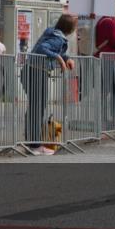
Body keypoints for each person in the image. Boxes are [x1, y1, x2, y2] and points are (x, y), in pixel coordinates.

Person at [22, 14, 78, 156]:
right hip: (36, 72)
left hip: (33, 71)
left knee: (36, 107)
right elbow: (43, 48)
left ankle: (32, 142)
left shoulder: (53, 32)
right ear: (70, 29)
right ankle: (34, 145)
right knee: (37, 108)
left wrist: (66, 57)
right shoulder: (58, 38)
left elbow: (53, 49)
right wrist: (59, 58)